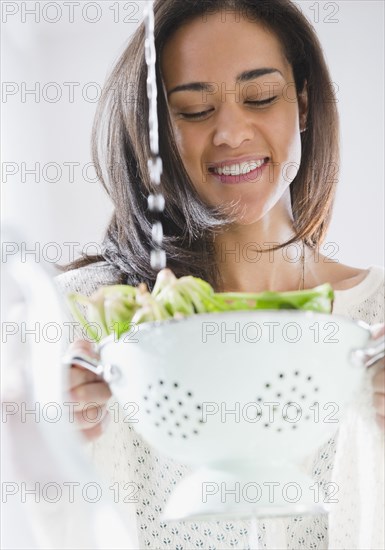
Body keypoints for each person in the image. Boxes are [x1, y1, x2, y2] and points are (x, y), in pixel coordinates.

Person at [55, 1, 385, 548]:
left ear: (302, 103)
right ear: (155, 131)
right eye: (193, 109)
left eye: (260, 97)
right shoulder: (82, 322)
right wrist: (42, 446)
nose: (231, 132)